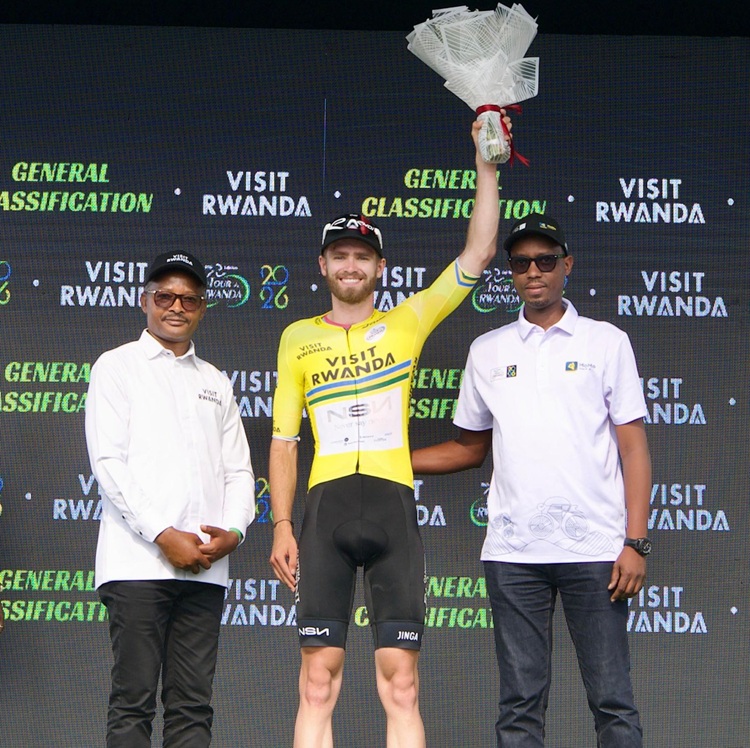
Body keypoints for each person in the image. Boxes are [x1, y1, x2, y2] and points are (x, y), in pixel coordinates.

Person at [269, 118, 509, 748]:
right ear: (323, 265)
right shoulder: (296, 338)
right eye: (340, 255)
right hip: (323, 510)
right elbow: (284, 443)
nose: (351, 265)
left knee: (401, 685)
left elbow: (478, 254)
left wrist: (485, 163)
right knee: (315, 684)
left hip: (391, 506)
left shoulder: (409, 320)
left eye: (362, 256)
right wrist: (283, 525)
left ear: (380, 266)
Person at [411, 213, 652, 747]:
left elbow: (633, 448)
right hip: (513, 553)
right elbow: (468, 449)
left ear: (567, 265)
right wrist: (389, 461)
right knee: (519, 706)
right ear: (511, 274)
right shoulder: (487, 350)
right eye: (521, 264)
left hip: (597, 550)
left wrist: (635, 542)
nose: (533, 272)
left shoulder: (606, 341)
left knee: (613, 701)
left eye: (545, 260)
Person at [85, 251, 255, 748]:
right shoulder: (116, 367)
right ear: (145, 302)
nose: (176, 307)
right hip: (137, 564)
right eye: (165, 296)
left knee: (193, 708)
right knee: (133, 703)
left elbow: (239, 470)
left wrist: (235, 531)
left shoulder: (215, 380)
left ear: (202, 307)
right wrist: (163, 533)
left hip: (205, 567)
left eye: (189, 299)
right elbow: (108, 464)